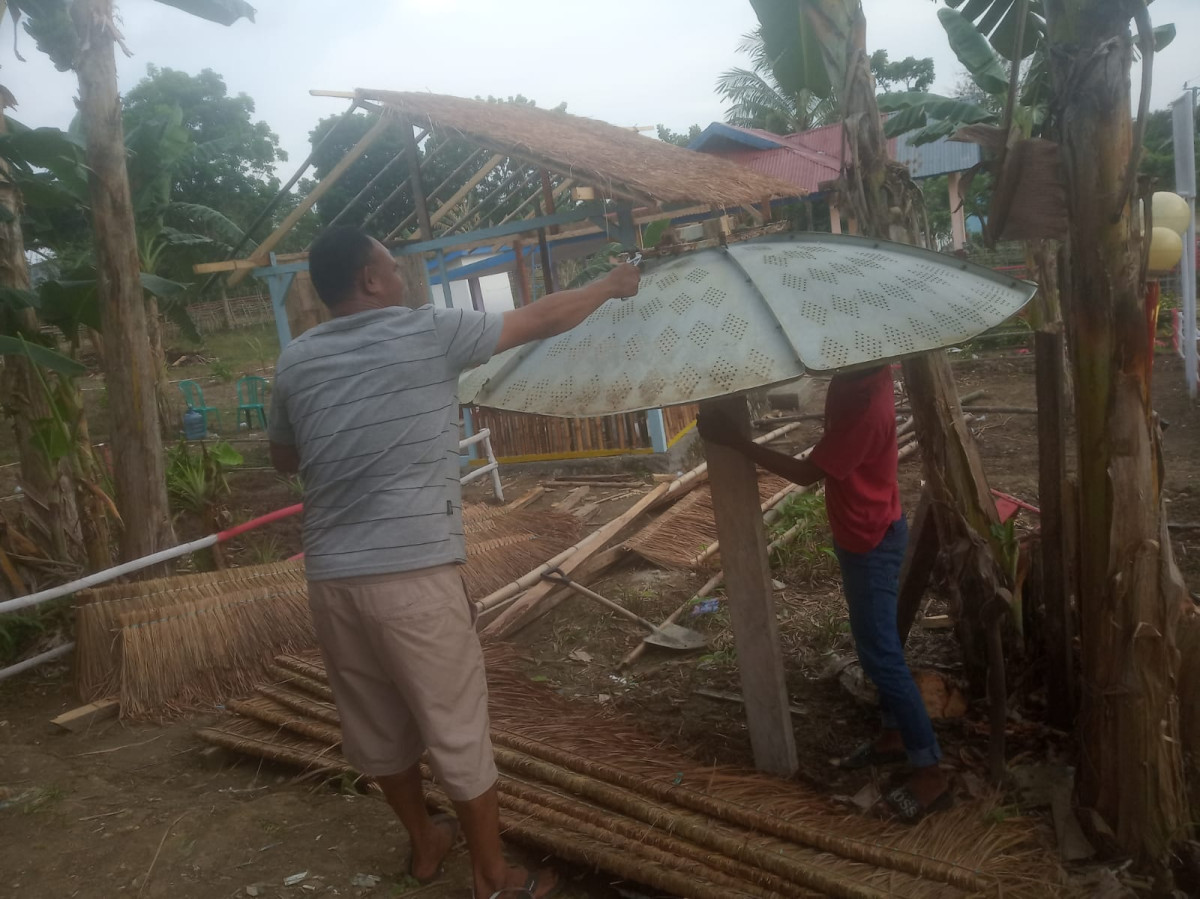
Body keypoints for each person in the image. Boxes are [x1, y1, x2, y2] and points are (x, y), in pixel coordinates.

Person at [268, 226, 640, 898]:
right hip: (412, 575)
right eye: (390, 264)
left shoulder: (295, 360)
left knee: (376, 724)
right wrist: (613, 285)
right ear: (369, 281)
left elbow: (285, 458)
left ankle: (426, 845)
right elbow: (543, 317)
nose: (402, 275)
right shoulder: (425, 331)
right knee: (456, 725)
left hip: (330, 577)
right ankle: (495, 877)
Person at [696, 366, 951, 822]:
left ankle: (930, 770)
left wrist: (736, 441)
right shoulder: (851, 380)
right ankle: (894, 735)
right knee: (877, 647)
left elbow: (808, 473)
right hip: (863, 530)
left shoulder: (867, 408)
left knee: (882, 659)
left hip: (871, 539)